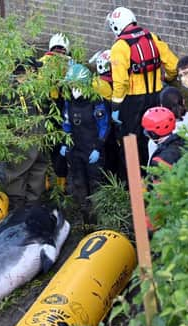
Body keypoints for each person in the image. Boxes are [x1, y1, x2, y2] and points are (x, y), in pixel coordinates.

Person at [106, 6, 179, 169]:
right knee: (154, 137)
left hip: (132, 103)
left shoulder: (120, 46)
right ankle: (153, 175)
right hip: (157, 97)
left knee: (131, 143)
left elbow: (121, 82)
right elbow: (174, 65)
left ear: (116, 26)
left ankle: (133, 185)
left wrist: (116, 106)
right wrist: (167, 78)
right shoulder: (152, 38)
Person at [60, 63, 110, 223]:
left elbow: (104, 126)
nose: (74, 88)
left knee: (96, 183)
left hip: (92, 150)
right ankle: (84, 216)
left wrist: (98, 148)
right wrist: (65, 142)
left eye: (76, 84)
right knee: (78, 182)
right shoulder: (69, 101)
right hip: (75, 150)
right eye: (71, 85)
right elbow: (66, 122)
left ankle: (99, 218)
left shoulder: (96, 102)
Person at [1, 59, 50, 210]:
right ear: (28, 71)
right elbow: (4, 117)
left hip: (39, 133)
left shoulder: (34, 88)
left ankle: (33, 202)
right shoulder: (10, 91)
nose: (37, 73)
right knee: (18, 169)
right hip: (21, 136)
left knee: (39, 167)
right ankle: (16, 206)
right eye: (35, 70)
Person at [38, 33, 72, 191]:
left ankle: (44, 181)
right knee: (60, 146)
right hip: (62, 109)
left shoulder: (41, 63)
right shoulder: (70, 64)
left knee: (43, 144)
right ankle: (62, 182)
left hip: (43, 109)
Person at [90, 49, 123, 179]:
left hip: (105, 125)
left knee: (109, 154)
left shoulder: (98, 83)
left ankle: (110, 179)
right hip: (121, 123)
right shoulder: (121, 81)